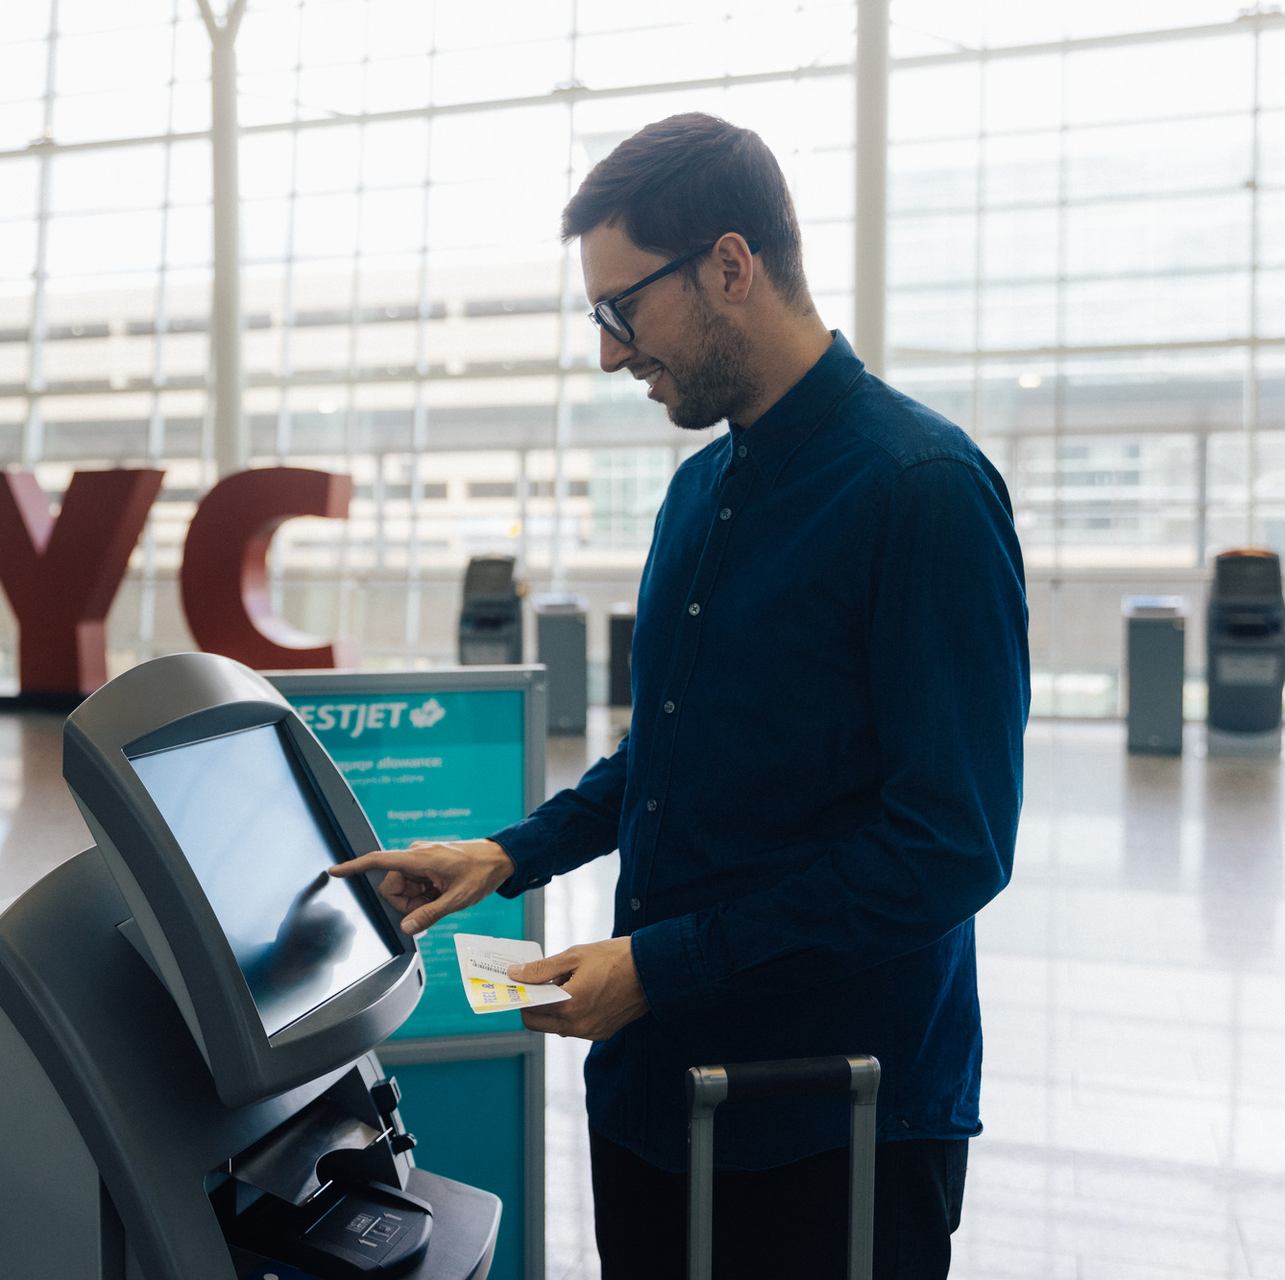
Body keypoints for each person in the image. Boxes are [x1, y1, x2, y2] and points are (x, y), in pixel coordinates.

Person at [329, 113, 1029, 1278]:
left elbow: (950, 844)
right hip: (661, 1097)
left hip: (831, 1123)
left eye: (624, 309)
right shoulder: (699, 493)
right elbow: (671, 756)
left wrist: (658, 965)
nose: (609, 352)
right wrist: (508, 854)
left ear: (729, 265)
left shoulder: (924, 490)